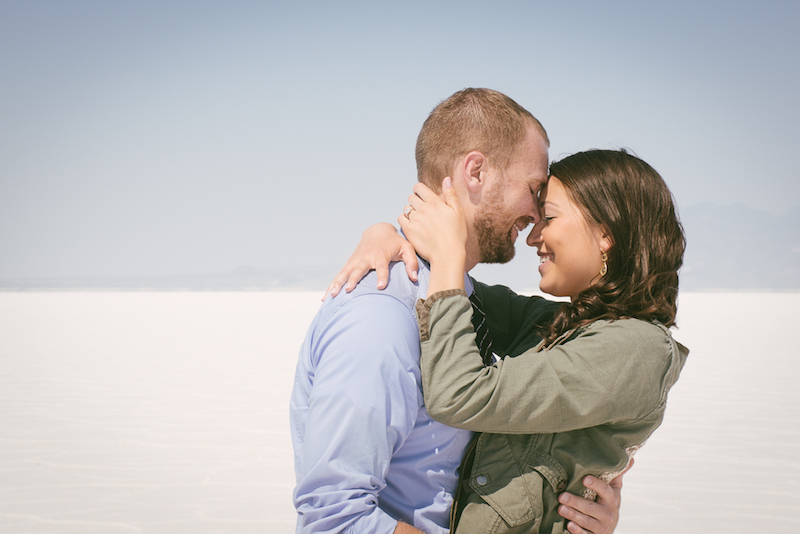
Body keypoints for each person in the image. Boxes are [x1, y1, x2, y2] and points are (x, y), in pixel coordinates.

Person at [290, 89, 624, 534]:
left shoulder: (459, 295)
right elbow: (333, 516)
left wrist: (581, 509)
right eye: (533, 189)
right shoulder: (381, 316)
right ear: (477, 171)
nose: (536, 214)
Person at [338, 149, 688, 534]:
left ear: (605, 234)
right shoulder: (566, 326)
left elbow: (459, 394)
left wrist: (449, 252)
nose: (533, 237)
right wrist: (384, 234)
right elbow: (455, 291)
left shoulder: (635, 350)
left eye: (549, 219)